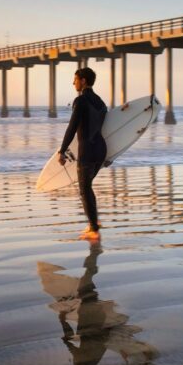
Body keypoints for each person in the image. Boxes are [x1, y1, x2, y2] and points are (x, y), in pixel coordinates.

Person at [59, 67, 107, 241]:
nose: (74, 83)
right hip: (101, 150)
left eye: (76, 79)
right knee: (87, 187)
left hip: (87, 152)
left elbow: (72, 128)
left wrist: (62, 151)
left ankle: (94, 230)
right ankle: (94, 222)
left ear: (83, 81)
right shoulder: (101, 102)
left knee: (84, 189)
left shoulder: (80, 101)